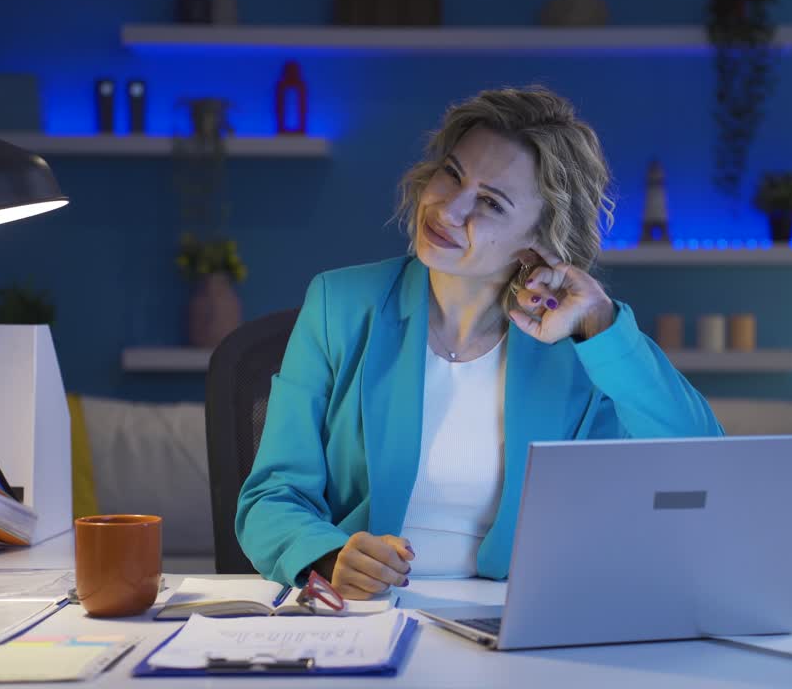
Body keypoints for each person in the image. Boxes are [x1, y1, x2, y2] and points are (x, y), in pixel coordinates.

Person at [237, 86, 723, 598]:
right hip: (365, 616)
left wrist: (601, 325)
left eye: (490, 202)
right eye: (452, 173)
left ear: (539, 239)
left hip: (514, 622)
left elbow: (701, 461)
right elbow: (270, 497)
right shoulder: (341, 303)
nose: (449, 209)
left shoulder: (583, 346)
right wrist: (329, 555)